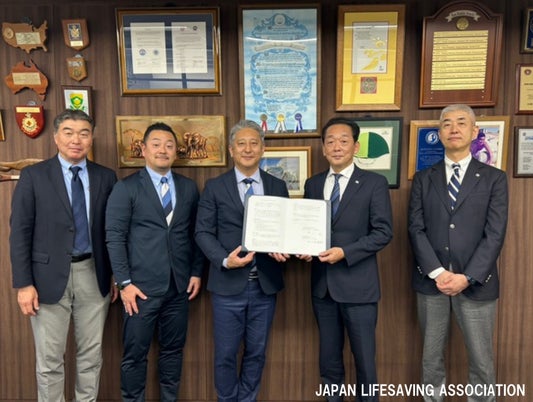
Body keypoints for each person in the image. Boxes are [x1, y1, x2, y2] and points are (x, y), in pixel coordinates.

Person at [9, 109, 118, 402]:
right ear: (56, 138)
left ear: (91, 138)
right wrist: (24, 284)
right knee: (49, 360)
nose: (76, 140)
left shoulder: (106, 177)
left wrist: (116, 275)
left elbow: (113, 231)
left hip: (94, 274)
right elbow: (19, 232)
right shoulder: (34, 176)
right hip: (45, 279)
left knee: (91, 357)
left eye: (84, 133)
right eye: (68, 133)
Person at [408, 104, 508, 402]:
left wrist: (467, 276)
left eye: (461, 123)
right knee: (430, 359)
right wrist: (438, 272)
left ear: (474, 132)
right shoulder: (423, 178)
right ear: (439, 133)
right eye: (447, 124)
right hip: (432, 282)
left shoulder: (494, 178)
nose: (454, 129)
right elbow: (415, 229)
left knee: (481, 361)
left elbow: (495, 233)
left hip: (476, 282)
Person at [105, 122, 204, 401]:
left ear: (176, 151)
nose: (163, 150)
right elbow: (114, 237)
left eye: (169, 145)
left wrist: (196, 272)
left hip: (179, 287)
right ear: (144, 149)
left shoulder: (188, 188)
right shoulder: (126, 188)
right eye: (157, 144)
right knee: (135, 355)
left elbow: (196, 233)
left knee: (173, 352)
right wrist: (124, 283)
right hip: (140, 289)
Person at [195, 119, 290, 402]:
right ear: (231, 150)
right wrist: (224, 260)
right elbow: (202, 232)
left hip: (264, 285)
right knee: (225, 354)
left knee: (256, 352)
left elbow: (285, 229)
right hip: (227, 285)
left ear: (263, 148)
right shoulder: (214, 187)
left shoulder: (277, 186)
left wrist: (283, 246)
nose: (248, 149)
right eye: (241, 144)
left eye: (254, 143)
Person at [303, 117, 393, 402]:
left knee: (365, 361)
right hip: (323, 289)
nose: (336, 147)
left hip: (359, 288)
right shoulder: (313, 184)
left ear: (355, 147)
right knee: (329, 362)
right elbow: (308, 228)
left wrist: (346, 252)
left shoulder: (374, 183)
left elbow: (383, 232)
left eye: (343, 141)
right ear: (323, 148)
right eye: (330, 141)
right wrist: (303, 247)